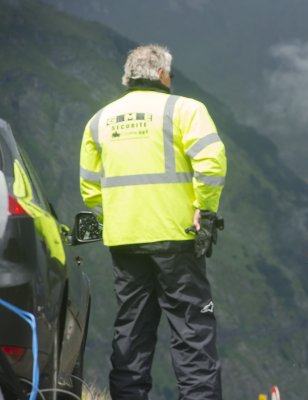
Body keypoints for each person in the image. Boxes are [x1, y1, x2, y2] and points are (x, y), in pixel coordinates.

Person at [79, 44, 227, 400]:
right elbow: (211, 161)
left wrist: (116, 216)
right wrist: (205, 210)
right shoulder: (185, 109)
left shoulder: (99, 121)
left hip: (125, 240)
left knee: (131, 330)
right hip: (178, 237)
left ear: (128, 77)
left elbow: (89, 188)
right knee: (191, 329)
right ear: (162, 75)